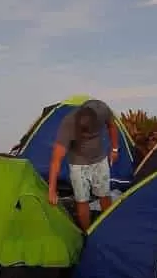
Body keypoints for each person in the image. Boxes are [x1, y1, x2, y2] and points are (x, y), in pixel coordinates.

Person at [48, 99, 119, 232]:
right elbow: (56, 160)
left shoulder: (102, 109)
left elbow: (112, 126)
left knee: (104, 194)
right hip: (78, 164)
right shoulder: (68, 125)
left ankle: (109, 228)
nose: (87, 136)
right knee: (82, 200)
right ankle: (88, 233)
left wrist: (115, 149)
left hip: (100, 160)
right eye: (84, 134)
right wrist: (52, 189)